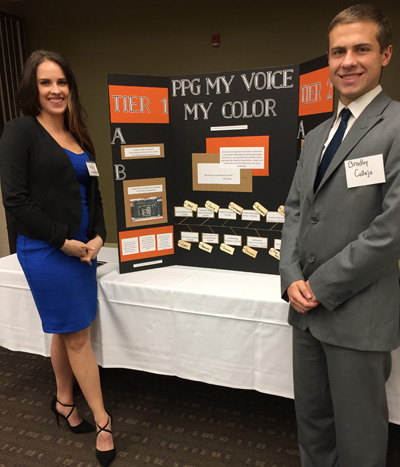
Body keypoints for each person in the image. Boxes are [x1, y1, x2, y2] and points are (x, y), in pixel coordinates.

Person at [279, 4, 400, 467]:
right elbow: (295, 211)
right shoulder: (318, 135)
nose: (347, 61)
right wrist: (291, 276)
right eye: (337, 51)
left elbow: (390, 232)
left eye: (361, 49)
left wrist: (320, 287)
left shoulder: (394, 127)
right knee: (313, 426)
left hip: (356, 315)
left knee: (360, 439)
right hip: (304, 312)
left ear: (385, 54)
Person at [0, 50, 115, 467]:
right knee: (78, 336)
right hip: (47, 251)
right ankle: (104, 421)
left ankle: (64, 402)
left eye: (61, 82)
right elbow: (15, 201)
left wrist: (99, 234)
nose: (55, 90)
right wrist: (62, 240)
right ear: (33, 88)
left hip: (82, 250)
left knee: (64, 330)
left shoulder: (79, 135)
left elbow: (94, 193)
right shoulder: (19, 132)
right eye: (46, 82)